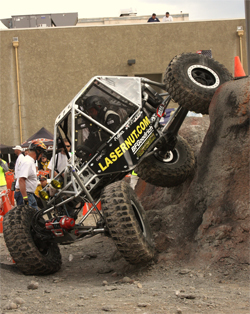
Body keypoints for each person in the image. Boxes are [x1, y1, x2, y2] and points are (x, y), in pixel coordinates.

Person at [19, 140, 47, 210]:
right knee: (29, 219)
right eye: (41, 153)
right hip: (26, 194)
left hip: (30, 194)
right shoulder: (28, 162)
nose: (41, 156)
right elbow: (21, 179)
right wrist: (25, 198)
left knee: (36, 217)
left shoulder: (30, 161)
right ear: (37, 151)